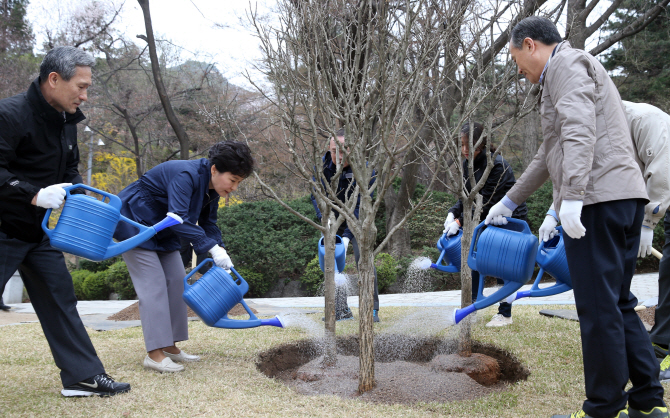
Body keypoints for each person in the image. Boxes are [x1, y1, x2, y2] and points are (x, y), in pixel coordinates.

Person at [486, 16, 666, 418]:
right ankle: (649, 401)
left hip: (597, 202)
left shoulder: (566, 65)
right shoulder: (568, 72)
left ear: (530, 44)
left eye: (517, 59)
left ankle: (602, 407)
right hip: (623, 199)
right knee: (619, 302)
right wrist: (510, 201)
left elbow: (580, 133)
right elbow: (549, 153)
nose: (518, 70)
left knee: (597, 308)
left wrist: (572, 199)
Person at [0, 46, 130, 397]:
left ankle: (82, 376)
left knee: (61, 299)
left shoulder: (67, 122)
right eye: (81, 86)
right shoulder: (8, 114)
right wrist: (33, 194)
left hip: (40, 233)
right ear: (54, 80)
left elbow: (70, 171)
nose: (85, 96)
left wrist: (81, 203)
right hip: (3, 228)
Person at [114, 141, 254, 373]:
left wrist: (221, 251)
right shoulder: (185, 174)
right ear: (214, 169)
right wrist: (211, 248)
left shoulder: (211, 190)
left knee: (178, 282)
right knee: (154, 286)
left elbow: (208, 224)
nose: (235, 188)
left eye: (239, 182)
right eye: (233, 180)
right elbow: (179, 217)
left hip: (163, 229)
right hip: (136, 224)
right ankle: (154, 354)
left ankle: (170, 346)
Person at [443, 122, 528, 327]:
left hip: (508, 219)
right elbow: (467, 197)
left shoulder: (496, 165)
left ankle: (504, 314)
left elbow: (486, 201)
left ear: (482, 144)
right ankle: (471, 308)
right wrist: (452, 214)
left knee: (501, 266)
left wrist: (461, 221)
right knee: (473, 258)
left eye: (469, 145)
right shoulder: (468, 163)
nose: (464, 150)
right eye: (461, 145)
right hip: (485, 218)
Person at [618, 101, 670, 385]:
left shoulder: (644, 118)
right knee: (668, 273)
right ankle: (661, 341)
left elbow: (662, 172)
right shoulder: (602, 123)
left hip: (665, 195)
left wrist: (647, 223)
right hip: (659, 203)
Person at [311, 129, 380, 322]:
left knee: (363, 259)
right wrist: (326, 219)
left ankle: (371, 309)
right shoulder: (322, 166)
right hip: (333, 220)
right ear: (329, 149)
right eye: (334, 151)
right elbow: (316, 195)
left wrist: (349, 236)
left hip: (360, 221)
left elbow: (362, 206)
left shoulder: (365, 170)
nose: (338, 156)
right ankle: (340, 310)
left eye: (343, 151)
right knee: (330, 260)